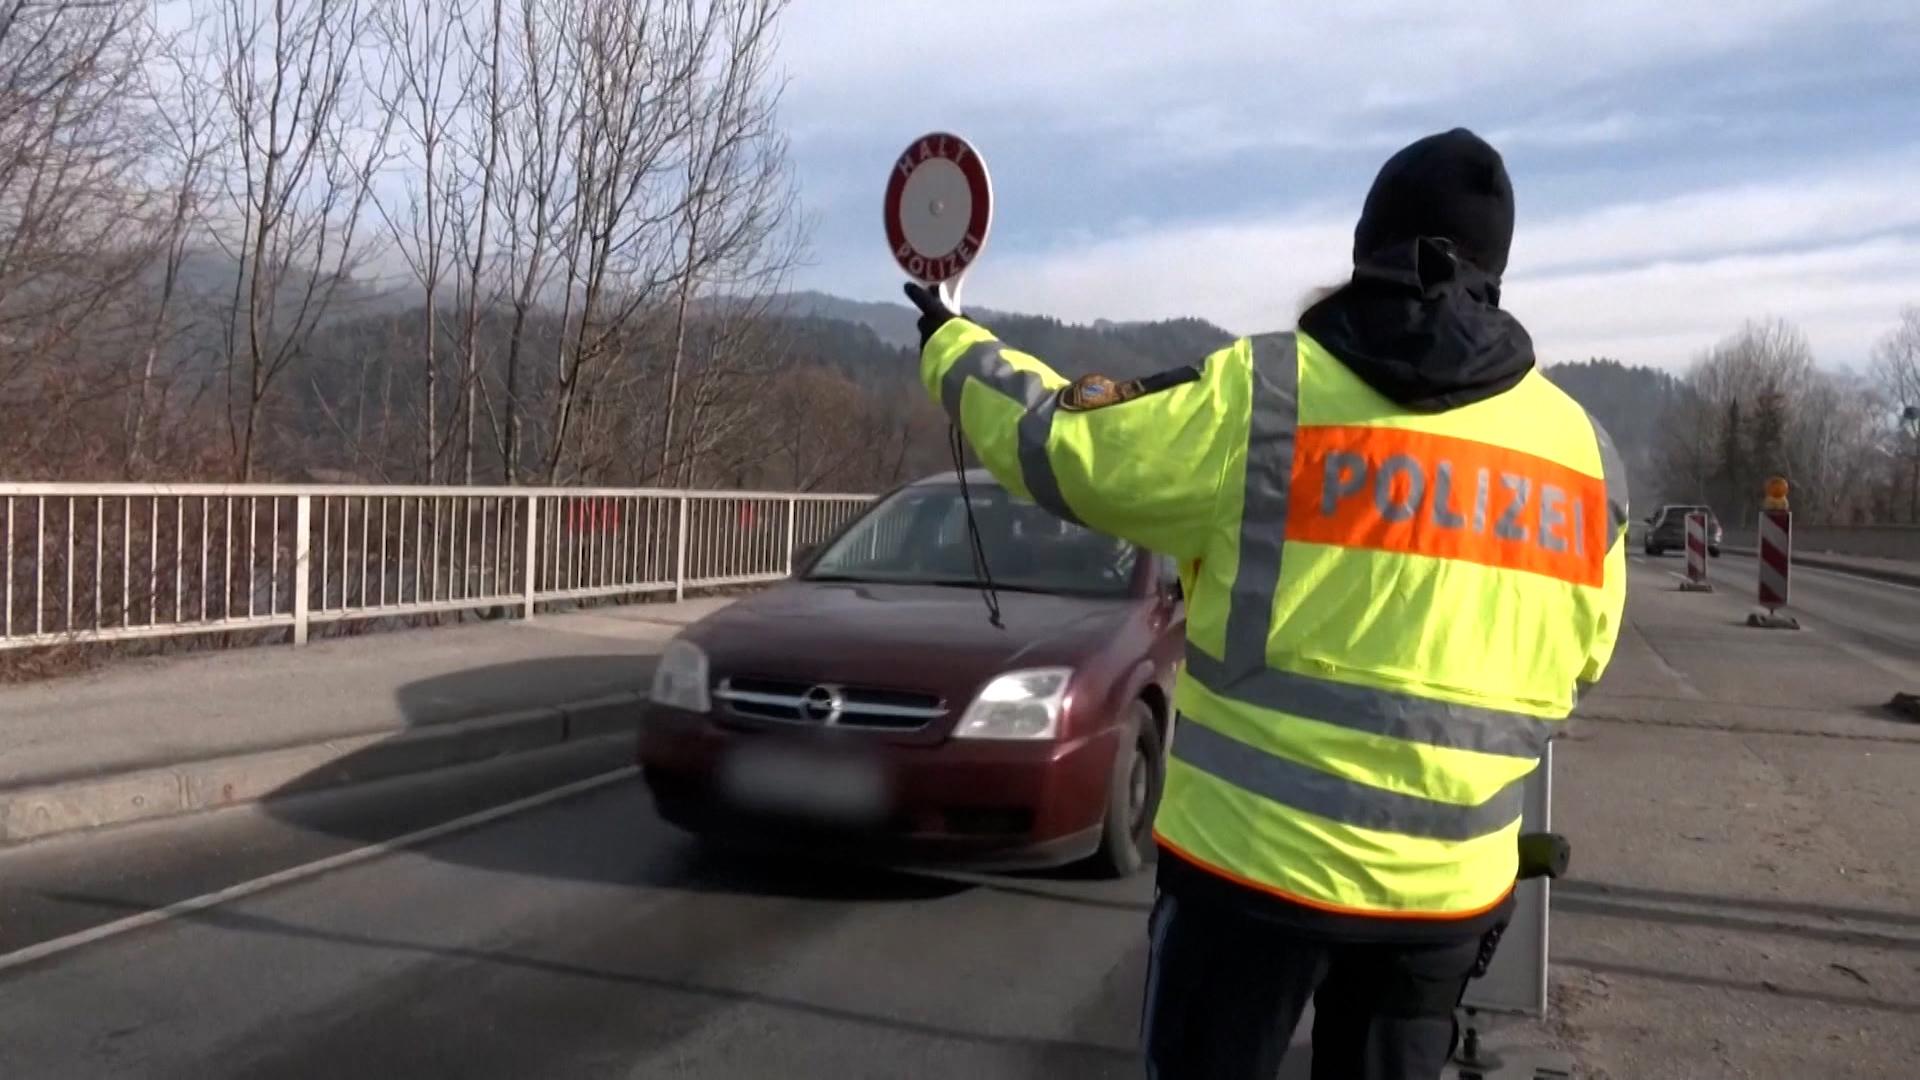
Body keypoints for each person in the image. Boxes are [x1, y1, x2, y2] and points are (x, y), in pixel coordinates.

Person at [902, 127, 1628, 1079]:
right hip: (1444, 897)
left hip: (1249, 880)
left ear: (1367, 245)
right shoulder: (1581, 458)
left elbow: (1064, 447)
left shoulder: (1266, 397)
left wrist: (950, 342)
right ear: (1497, 269)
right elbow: (1583, 661)